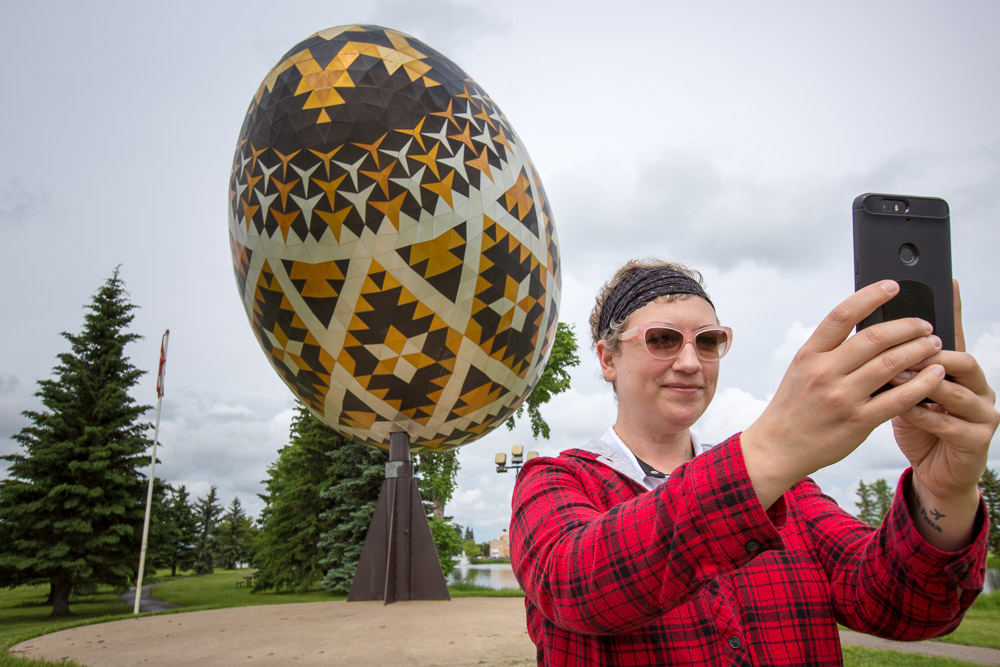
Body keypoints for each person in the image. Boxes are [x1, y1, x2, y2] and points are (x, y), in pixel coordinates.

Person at [510, 259, 999, 666]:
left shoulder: (789, 491)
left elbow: (901, 608)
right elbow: (574, 588)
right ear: (608, 359)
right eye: (662, 339)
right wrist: (770, 449)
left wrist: (943, 494)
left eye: (707, 341)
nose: (689, 361)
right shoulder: (555, 479)